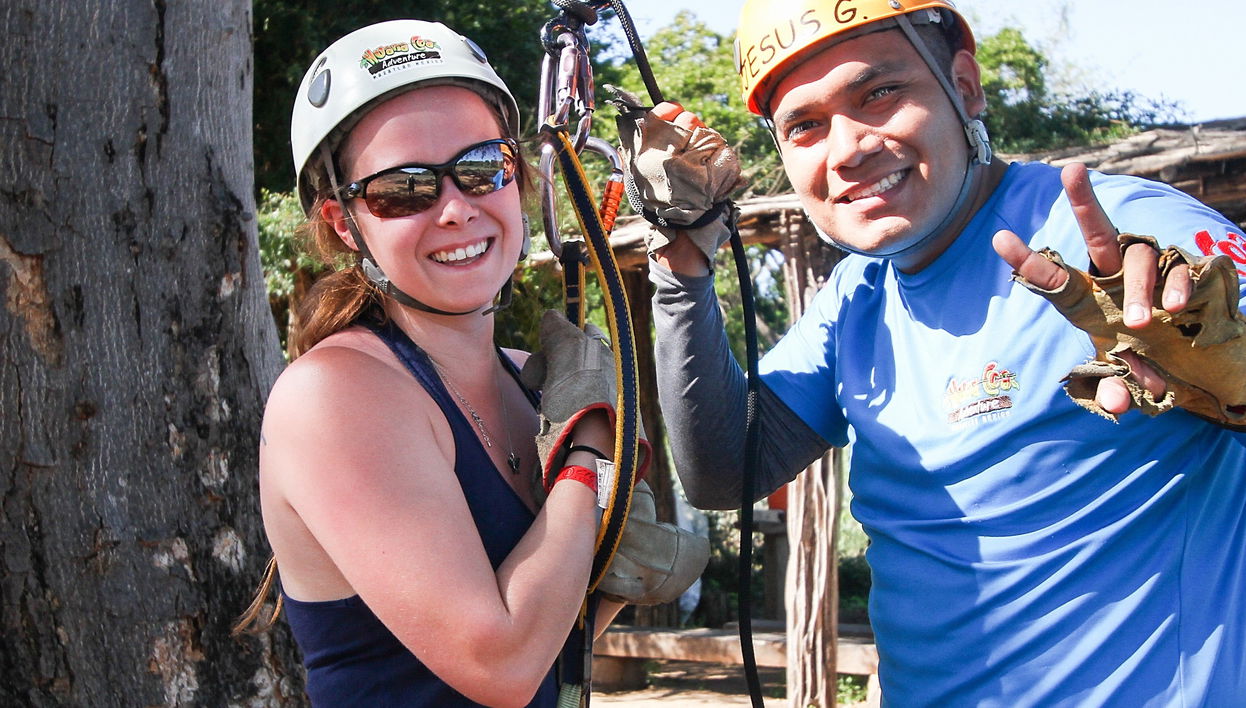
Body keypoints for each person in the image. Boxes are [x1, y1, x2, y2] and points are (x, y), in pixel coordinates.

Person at [620, 0, 1246, 704]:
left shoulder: (1120, 235)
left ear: (965, 87)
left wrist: (1231, 381)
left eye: (880, 93)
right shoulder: (857, 296)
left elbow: (1226, 337)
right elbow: (726, 471)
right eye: (805, 126)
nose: (847, 149)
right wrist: (681, 262)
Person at [232, 19, 705, 707]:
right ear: (343, 222)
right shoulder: (336, 395)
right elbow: (502, 665)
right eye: (404, 189)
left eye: (483, 167)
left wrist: (689, 264)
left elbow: (554, 643)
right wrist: (589, 450)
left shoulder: (532, 381)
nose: (456, 208)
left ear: (518, 177)